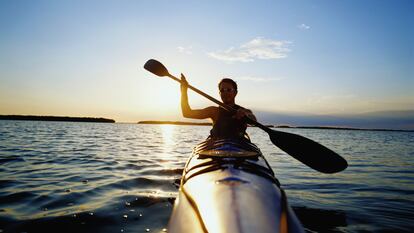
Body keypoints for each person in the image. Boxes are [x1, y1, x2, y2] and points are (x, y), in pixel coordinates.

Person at [180, 74, 256, 140]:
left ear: (235, 92)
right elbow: (187, 113)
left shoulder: (245, 111)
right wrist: (184, 91)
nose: (225, 93)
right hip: (217, 149)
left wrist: (245, 115)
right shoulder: (213, 111)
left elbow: (254, 121)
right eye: (222, 90)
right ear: (219, 93)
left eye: (229, 90)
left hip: (239, 148)